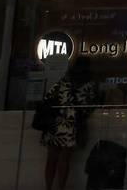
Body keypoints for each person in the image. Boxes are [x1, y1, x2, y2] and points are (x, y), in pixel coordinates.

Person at [40, 55, 97, 190]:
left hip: (55, 122)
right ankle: (61, 187)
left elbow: (48, 97)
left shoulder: (64, 81)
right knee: (64, 159)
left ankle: (48, 187)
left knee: (51, 158)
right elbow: (90, 105)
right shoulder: (89, 84)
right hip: (71, 123)